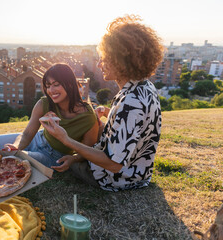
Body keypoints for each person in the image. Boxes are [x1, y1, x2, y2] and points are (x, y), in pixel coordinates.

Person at [40, 15, 164, 191]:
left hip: (114, 178)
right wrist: (110, 115)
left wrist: (65, 139)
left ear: (121, 61)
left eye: (104, 59)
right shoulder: (144, 87)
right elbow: (133, 130)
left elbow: (112, 164)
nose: (99, 65)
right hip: (139, 172)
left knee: (54, 161)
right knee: (77, 151)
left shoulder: (130, 103)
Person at [0, 63, 99, 168]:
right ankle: (19, 153)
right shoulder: (44, 103)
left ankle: (20, 156)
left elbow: (87, 151)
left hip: (53, 156)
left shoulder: (88, 116)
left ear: (70, 84)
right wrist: (15, 146)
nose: (51, 90)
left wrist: (73, 159)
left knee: (17, 160)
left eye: (56, 84)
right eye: (48, 86)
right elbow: (27, 134)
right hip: (36, 139)